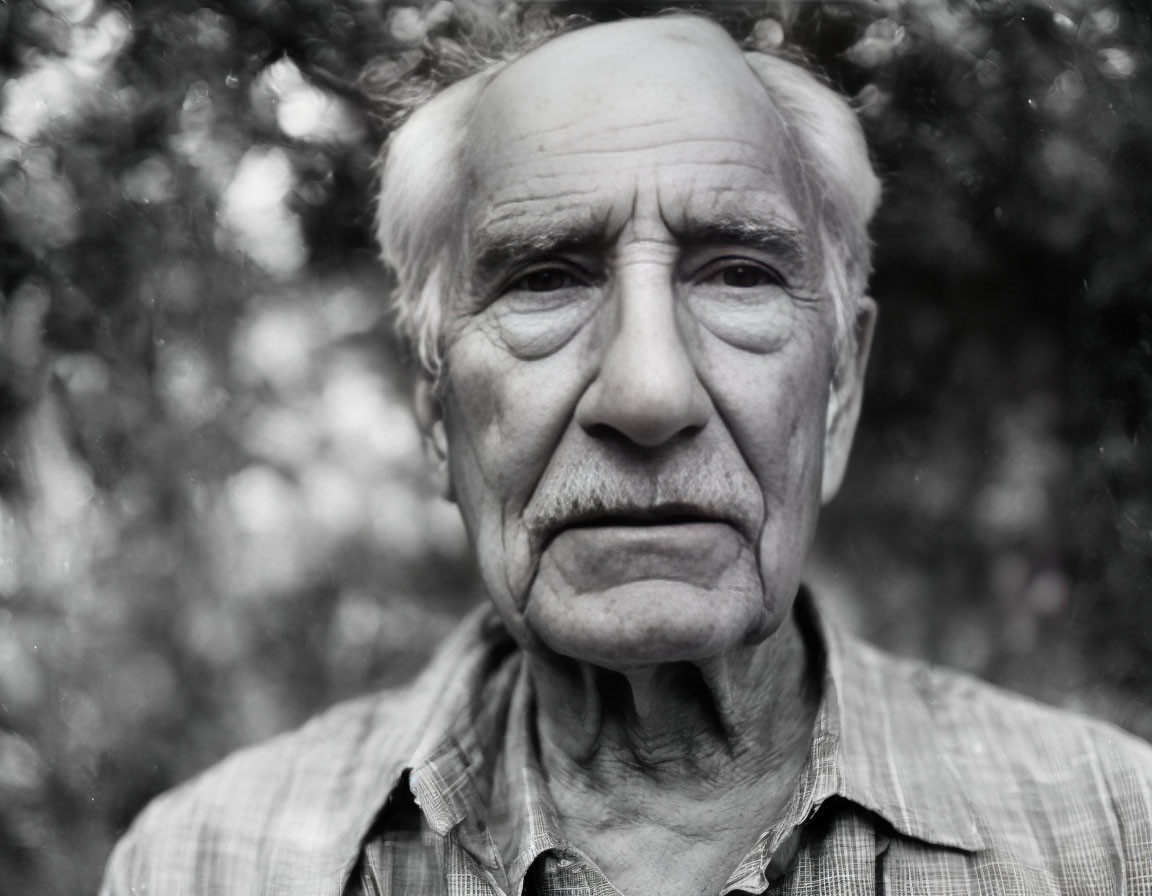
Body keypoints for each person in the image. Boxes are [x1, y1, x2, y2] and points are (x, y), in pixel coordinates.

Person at [100, 13, 1152, 896]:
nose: (649, 392)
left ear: (837, 391)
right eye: (546, 279)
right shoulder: (201, 864)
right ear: (436, 417)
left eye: (737, 275)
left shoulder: (1114, 837)